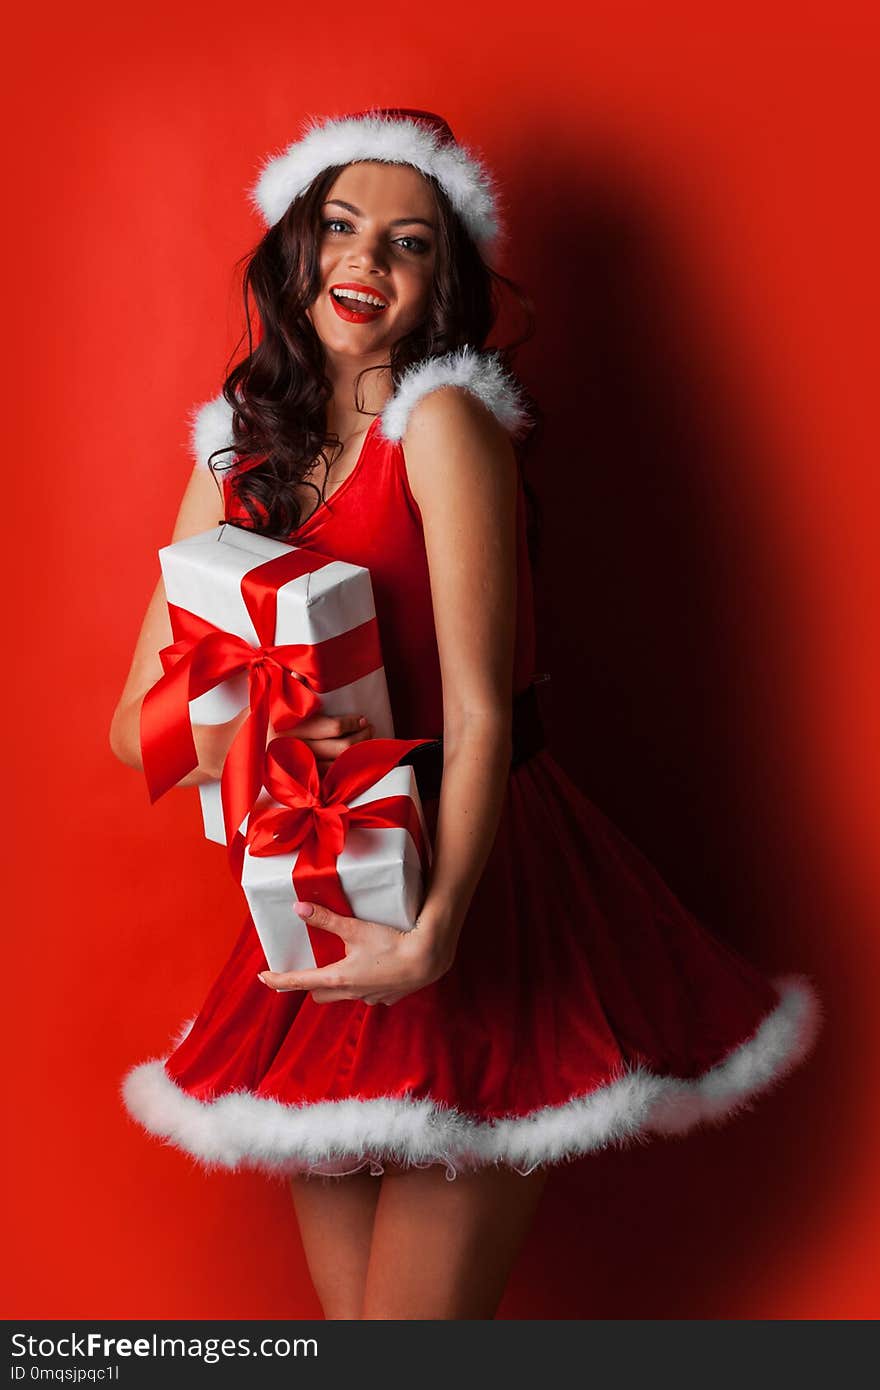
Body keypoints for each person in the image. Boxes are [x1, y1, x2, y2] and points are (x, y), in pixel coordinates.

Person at [111, 108, 822, 1320]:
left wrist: (441, 928)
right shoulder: (231, 451)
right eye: (338, 227)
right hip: (316, 877)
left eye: (408, 242)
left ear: (446, 279)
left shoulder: (443, 423)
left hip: (475, 874)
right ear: (293, 245)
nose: (363, 262)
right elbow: (138, 731)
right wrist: (256, 725)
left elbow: (489, 713)